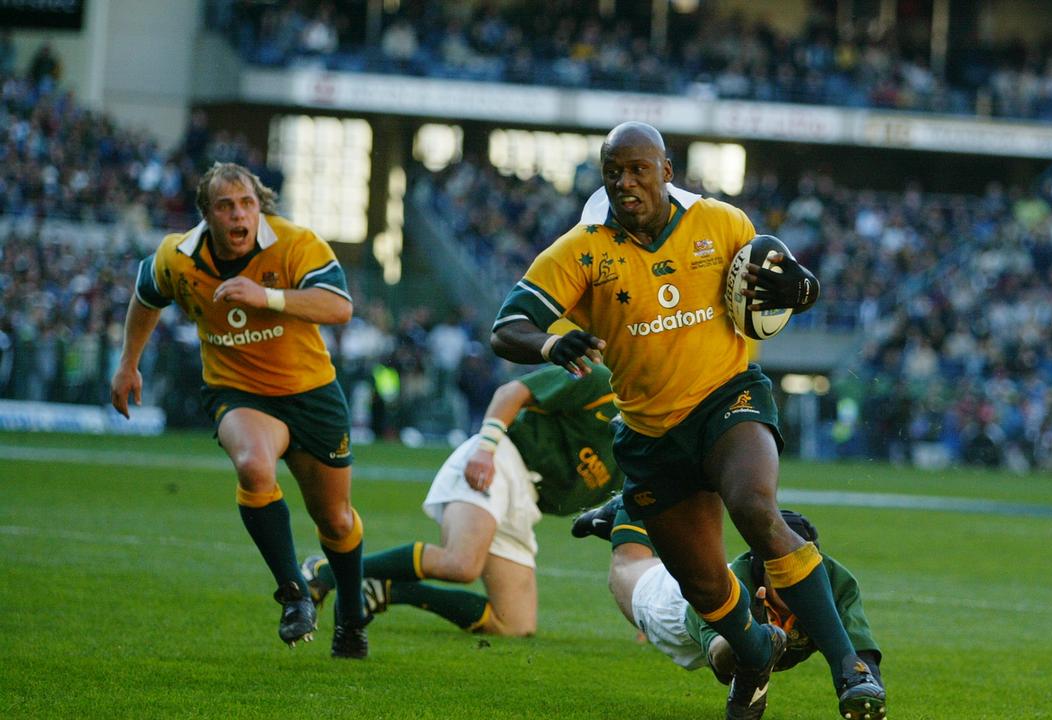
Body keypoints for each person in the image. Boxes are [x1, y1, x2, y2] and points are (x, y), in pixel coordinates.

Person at [490, 121, 885, 720]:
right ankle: (753, 659)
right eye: (613, 172)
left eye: (637, 169)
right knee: (704, 588)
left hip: (728, 398)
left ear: (667, 172)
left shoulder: (722, 224)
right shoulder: (583, 249)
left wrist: (803, 289)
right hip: (650, 435)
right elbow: (506, 327)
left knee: (756, 507)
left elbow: (781, 291)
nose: (625, 182)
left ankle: (850, 670)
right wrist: (549, 346)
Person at [109, 162, 370, 658]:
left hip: (311, 392)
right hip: (238, 392)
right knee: (253, 466)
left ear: (260, 207)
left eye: (247, 203)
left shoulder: (295, 243)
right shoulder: (177, 257)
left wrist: (267, 296)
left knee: (335, 520)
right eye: (226, 206)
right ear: (207, 214)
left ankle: (352, 617)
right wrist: (128, 364)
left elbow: (338, 307)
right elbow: (146, 295)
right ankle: (294, 594)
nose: (238, 214)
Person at [303, 360, 622, 636]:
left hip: (525, 500)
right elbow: (511, 392)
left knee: (515, 625)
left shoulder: (641, 450)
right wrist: (486, 448)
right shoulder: (599, 381)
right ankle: (325, 572)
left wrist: (642, 613)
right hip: (501, 458)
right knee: (461, 564)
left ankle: (388, 589)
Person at [573, 500, 884, 702]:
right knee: (628, 565)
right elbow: (722, 664)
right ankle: (630, 502)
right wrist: (751, 640)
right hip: (674, 608)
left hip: (710, 580)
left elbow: (860, 652)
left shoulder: (833, 582)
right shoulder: (729, 589)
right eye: (783, 575)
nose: (795, 585)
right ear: (762, 569)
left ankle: (636, 511)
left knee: (684, 533)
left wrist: (865, 691)